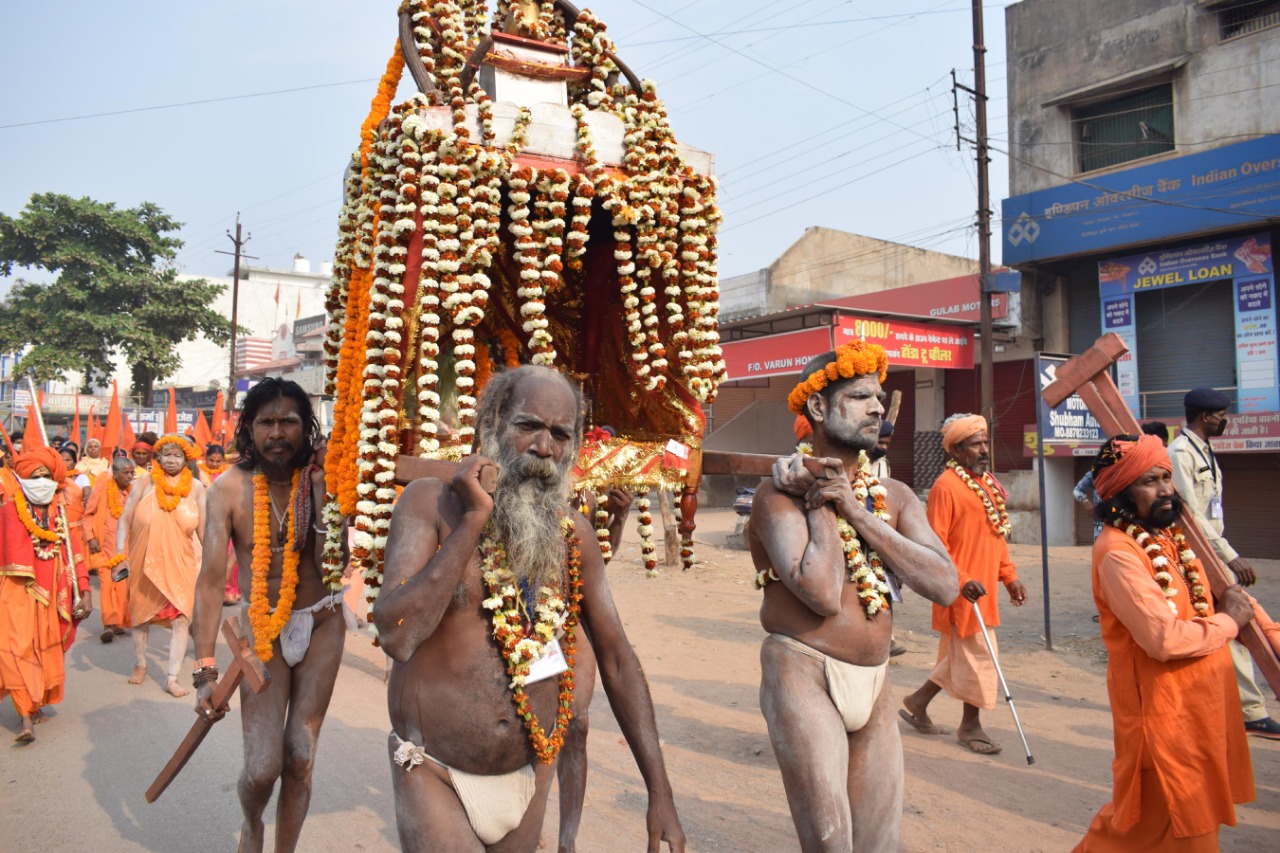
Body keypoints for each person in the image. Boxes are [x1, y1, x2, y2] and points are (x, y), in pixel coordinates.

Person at [375, 366, 685, 853]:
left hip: (530, 775)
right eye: (528, 427)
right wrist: (473, 521)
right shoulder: (428, 504)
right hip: (433, 770)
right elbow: (397, 634)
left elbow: (618, 659)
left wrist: (660, 790)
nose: (544, 448)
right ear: (494, 421)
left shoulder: (573, 533)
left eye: (560, 434)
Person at [748, 342, 958, 852]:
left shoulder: (897, 497)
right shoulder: (776, 496)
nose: (878, 408)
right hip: (802, 669)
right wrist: (822, 503)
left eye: (880, 399)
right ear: (818, 408)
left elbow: (945, 584)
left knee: (877, 844)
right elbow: (820, 593)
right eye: (861, 396)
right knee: (830, 842)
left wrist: (858, 513)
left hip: (876, 678)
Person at [193, 378, 353, 853]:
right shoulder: (228, 489)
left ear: (307, 427)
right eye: (267, 422)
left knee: (300, 754)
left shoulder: (329, 479)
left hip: (322, 619)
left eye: (289, 421)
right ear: (249, 427)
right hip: (259, 625)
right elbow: (208, 582)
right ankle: (252, 825)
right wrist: (204, 670)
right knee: (263, 766)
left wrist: (326, 496)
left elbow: (339, 560)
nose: (278, 432)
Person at [1074, 433, 1256, 850]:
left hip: (1202, 707)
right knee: (1154, 824)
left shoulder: (1170, 540)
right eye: (1149, 481)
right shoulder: (1119, 552)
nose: (1165, 490)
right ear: (1120, 493)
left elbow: (1245, 610)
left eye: (1166, 478)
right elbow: (1162, 639)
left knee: (1183, 821)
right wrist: (1228, 623)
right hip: (1160, 715)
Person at [901, 413, 1028, 755]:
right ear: (956, 450)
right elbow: (933, 544)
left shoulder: (986, 483)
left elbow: (997, 536)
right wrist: (961, 580)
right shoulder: (945, 487)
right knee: (980, 658)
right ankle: (970, 726)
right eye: (975, 444)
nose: (984, 450)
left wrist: (1009, 576)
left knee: (960, 658)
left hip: (984, 589)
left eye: (985, 442)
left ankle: (917, 701)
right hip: (961, 592)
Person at [1169, 387, 1278, 739]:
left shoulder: (1205, 450)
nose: (1224, 420)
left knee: (1234, 626)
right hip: (1200, 554)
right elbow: (1191, 517)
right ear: (1205, 416)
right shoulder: (1180, 453)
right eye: (1220, 415)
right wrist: (1230, 555)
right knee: (1237, 623)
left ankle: (1245, 708)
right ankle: (1249, 710)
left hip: (1213, 551)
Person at [0, 446, 91, 742]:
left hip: (54, 591)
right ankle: (25, 716)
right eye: (34, 476)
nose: (40, 481)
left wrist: (85, 591)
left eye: (45, 476)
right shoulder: (7, 512)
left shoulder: (60, 513)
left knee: (46, 648)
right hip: (16, 591)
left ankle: (34, 703)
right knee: (17, 649)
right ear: (22, 479)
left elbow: (75, 553)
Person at [116, 434, 206, 698]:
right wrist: (119, 555)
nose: (171, 460)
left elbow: (204, 530)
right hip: (144, 560)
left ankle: (172, 677)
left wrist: (212, 564)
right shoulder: (143, 483)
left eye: (178, 456)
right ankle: (141, 663)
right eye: (167, 454)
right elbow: (124, 520)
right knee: (141, 617)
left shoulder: (197, 488)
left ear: (187, 460)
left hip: (182, 562)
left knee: (181, 619)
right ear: (158, 457)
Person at [85, 457, 136, 642]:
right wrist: (90, 538)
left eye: (132, 472)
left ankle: (118, 622)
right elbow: (88, 514)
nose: (131, 476)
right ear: (115, 474)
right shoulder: (102, 489)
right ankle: (108, 623)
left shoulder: (133, 492)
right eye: (126, 472)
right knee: (106, 584)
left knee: (122, 585)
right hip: (102, 549)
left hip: (126, 550)